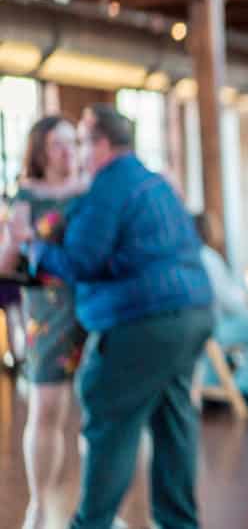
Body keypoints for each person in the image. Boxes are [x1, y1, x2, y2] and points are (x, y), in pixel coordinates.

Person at [12, 104, 214, 529]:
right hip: (193, 312)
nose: (76, 152)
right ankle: (177, 523)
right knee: (173, 424)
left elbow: (83, 260)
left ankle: (92, 522)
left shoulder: (105, 187)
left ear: (101, 143)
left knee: (107, 416)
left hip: (142, 319)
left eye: (81, 141)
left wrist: (36, 249)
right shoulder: (155, 182)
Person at [0, 116, 88, 529]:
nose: (67, 151)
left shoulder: (92, 189)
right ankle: (38, 504)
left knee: (99, 409)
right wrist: (14, 240)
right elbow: (6, 264)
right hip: (47, 309)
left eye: (72, 142)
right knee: (46, 407)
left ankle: (95, 507)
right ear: (40, 150)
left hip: (92, 302)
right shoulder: (26, 195)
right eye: (57, 144)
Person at [194, 212, 248, 403]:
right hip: (213, 327)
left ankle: (214, 383)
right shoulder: (209, 258)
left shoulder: (190, 256)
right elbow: (231, 302)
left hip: (196, 325)